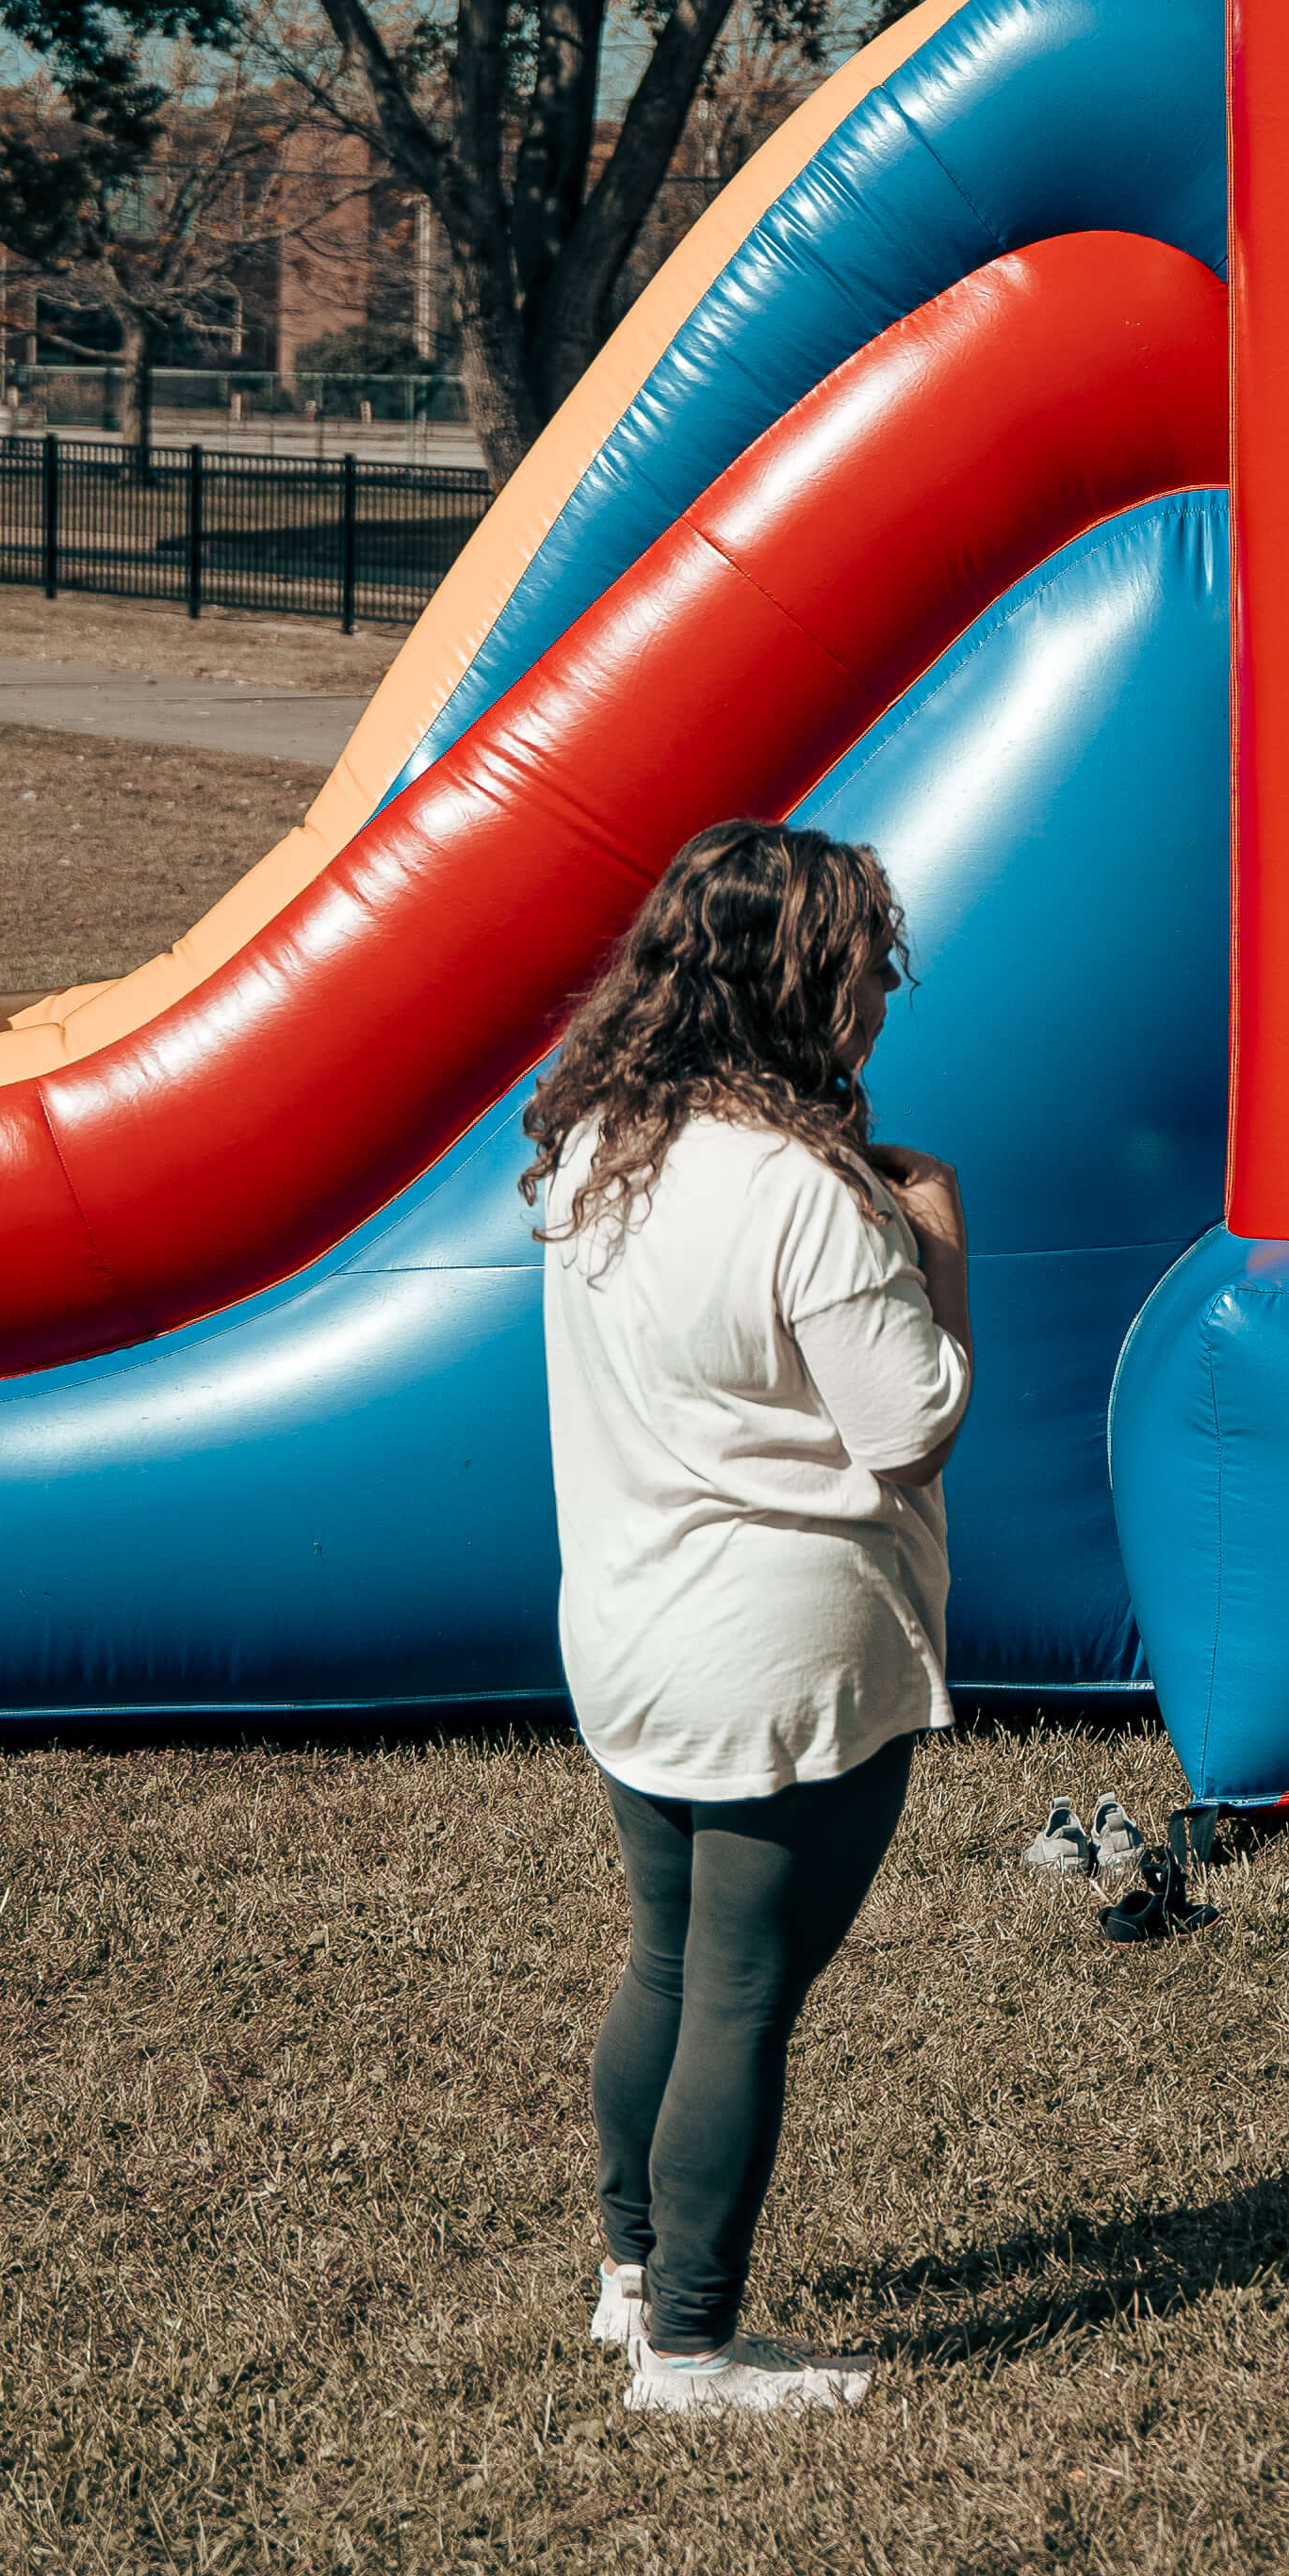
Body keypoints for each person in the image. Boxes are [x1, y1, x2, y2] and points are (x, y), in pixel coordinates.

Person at [526, 821, 973, 2420]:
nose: (879, 1000)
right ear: (799, 988)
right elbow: (908, 1427)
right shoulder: (808, 1197)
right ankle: (696, 2351)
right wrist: (938, 1240)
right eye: (865, 971)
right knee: (736, 1996)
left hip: (633, 1625)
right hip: (785, 1645)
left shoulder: (594, 1148)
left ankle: (635, 2275)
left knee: (668, 1962)